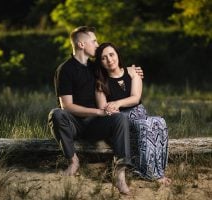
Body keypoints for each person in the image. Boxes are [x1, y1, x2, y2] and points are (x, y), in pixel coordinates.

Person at [48, 26, 143, 194]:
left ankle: (120, 174)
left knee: (120, 118)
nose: (97, 45)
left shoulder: (95, 68)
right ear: (81, 44)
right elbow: (67, 106)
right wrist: (99, 112)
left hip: (96, 125)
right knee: (56, 114)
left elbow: (115, 69)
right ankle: (73, 161)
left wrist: (131, 71)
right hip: (74, 124)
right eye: (94, 41)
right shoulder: (65, 69)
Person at [94, 42, 171, 185]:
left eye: (111, 55)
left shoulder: (132, 72)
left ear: (117, 55)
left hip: (139, 113)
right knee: (147, 125)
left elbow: (135, 97)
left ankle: (159, 170)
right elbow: (103, 107)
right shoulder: (101, 82)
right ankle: (151, 174)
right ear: (100, 62)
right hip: (121, 119)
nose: (109, 60)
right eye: (104, 58)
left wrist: (117, 103)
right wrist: (112, 108)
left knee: (159, 121)